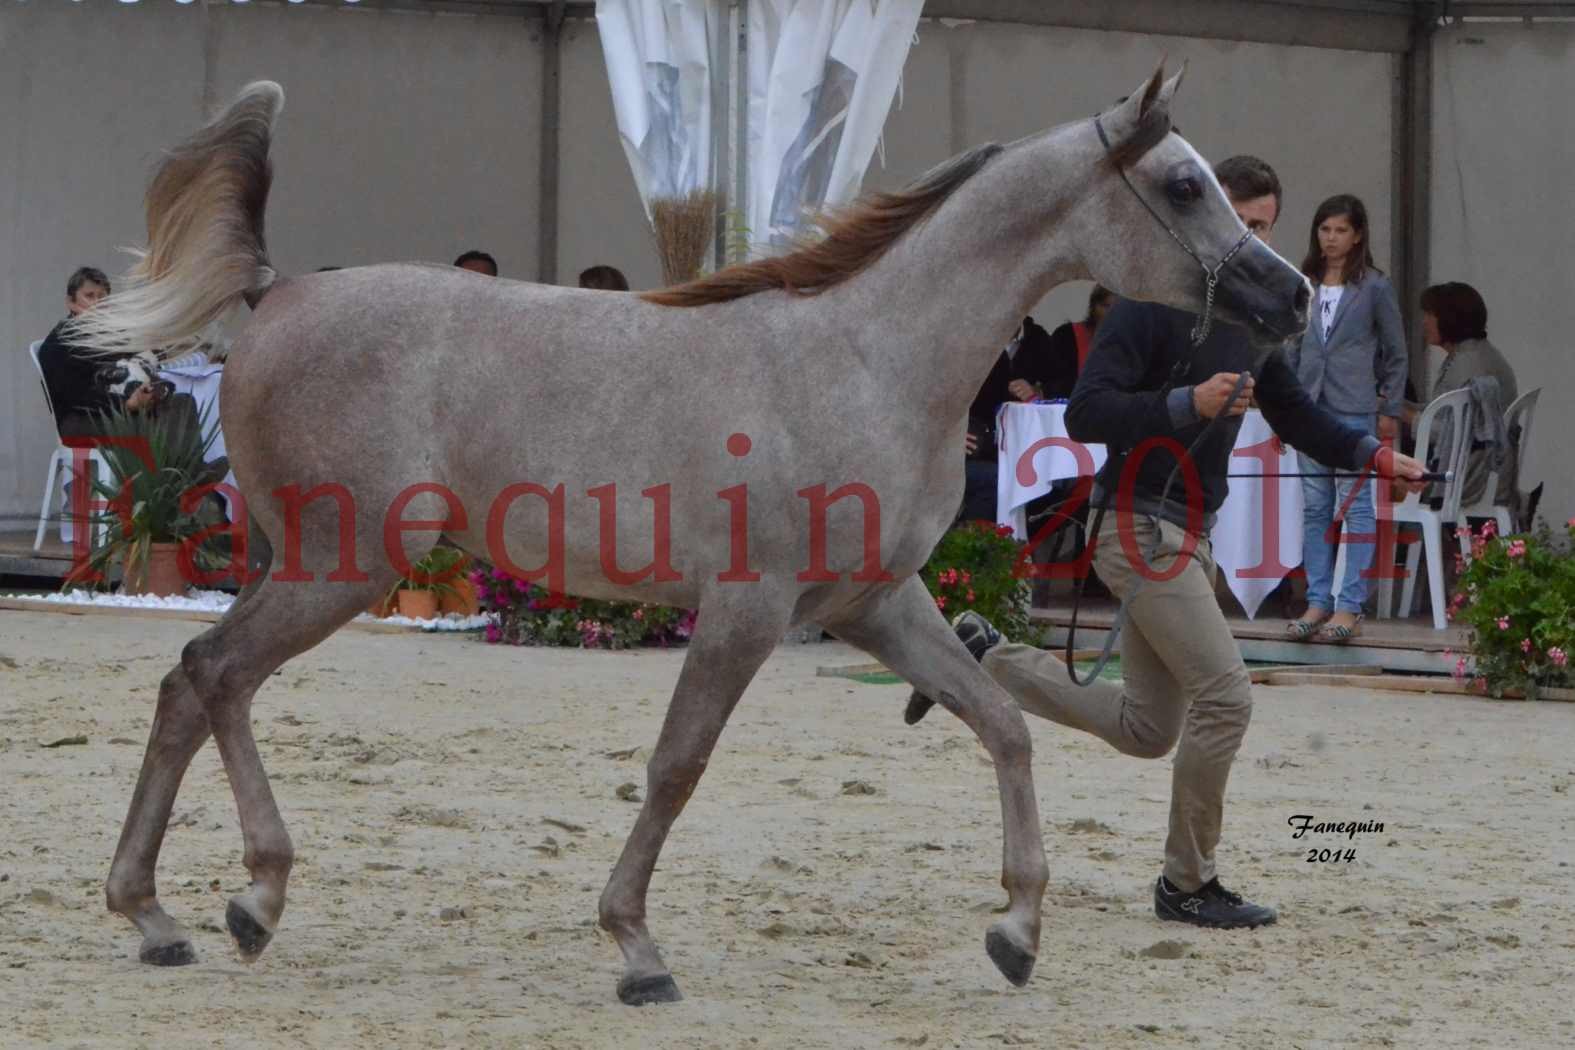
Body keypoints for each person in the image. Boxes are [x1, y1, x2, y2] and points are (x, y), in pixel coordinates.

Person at [909, 155, 1427, 929]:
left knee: (1148, 731)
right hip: (1138, 525)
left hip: (1188, 530)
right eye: (1241, 224)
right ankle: (1187, 881)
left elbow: (1294, 413)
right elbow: (1085, 414)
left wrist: (1374, 455)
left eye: (1261, 228)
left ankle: (983, 658)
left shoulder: (1253, 320)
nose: (1251, 241)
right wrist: (1189, 401)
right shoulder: (1148, 304)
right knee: (1226, 697)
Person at [1280, 195, 1408, 643]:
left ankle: (1350, 604)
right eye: (1324, 229)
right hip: (1308, 408)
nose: (1330, 238)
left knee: (1355, 507)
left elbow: (1396, 352)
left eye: (1339, 230)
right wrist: (1285, 405)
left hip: (1353, 408)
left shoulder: (1374, 286)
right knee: (1315, 507)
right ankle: (1318, 600)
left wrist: (1389, 408)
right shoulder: (1303, 281)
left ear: (1357, 235)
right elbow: (1291, 345)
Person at [1408, 282, 1518, 510]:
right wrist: (1402, 406)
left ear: (1450, 318)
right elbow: (1444, 410)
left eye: (1430, 314)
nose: (1424, 322)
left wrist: (1403, 414)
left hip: (1466, 479)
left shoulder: (1469, 365)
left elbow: (1453, 434)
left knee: (1384, 477)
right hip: (1485, 472)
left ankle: (1418, 542)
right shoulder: (1476, 352)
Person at [958, 319, 1056, 522]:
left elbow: (1057, 387)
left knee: (1045, 479)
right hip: (958, 453)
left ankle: (1009, 543)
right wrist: (950, 435)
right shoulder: (965, 341)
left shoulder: (1038, 340)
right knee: (997, 479)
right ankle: (971, 547)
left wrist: (1037, 392)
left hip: (1000, 445)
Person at [1040, 285, 1117, 398]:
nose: (1112, 314)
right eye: (1106, 306)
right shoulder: (1066, 336)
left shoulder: (1136, 344)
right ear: (1093, 307)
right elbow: (1051, 384)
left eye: (1118, 308)